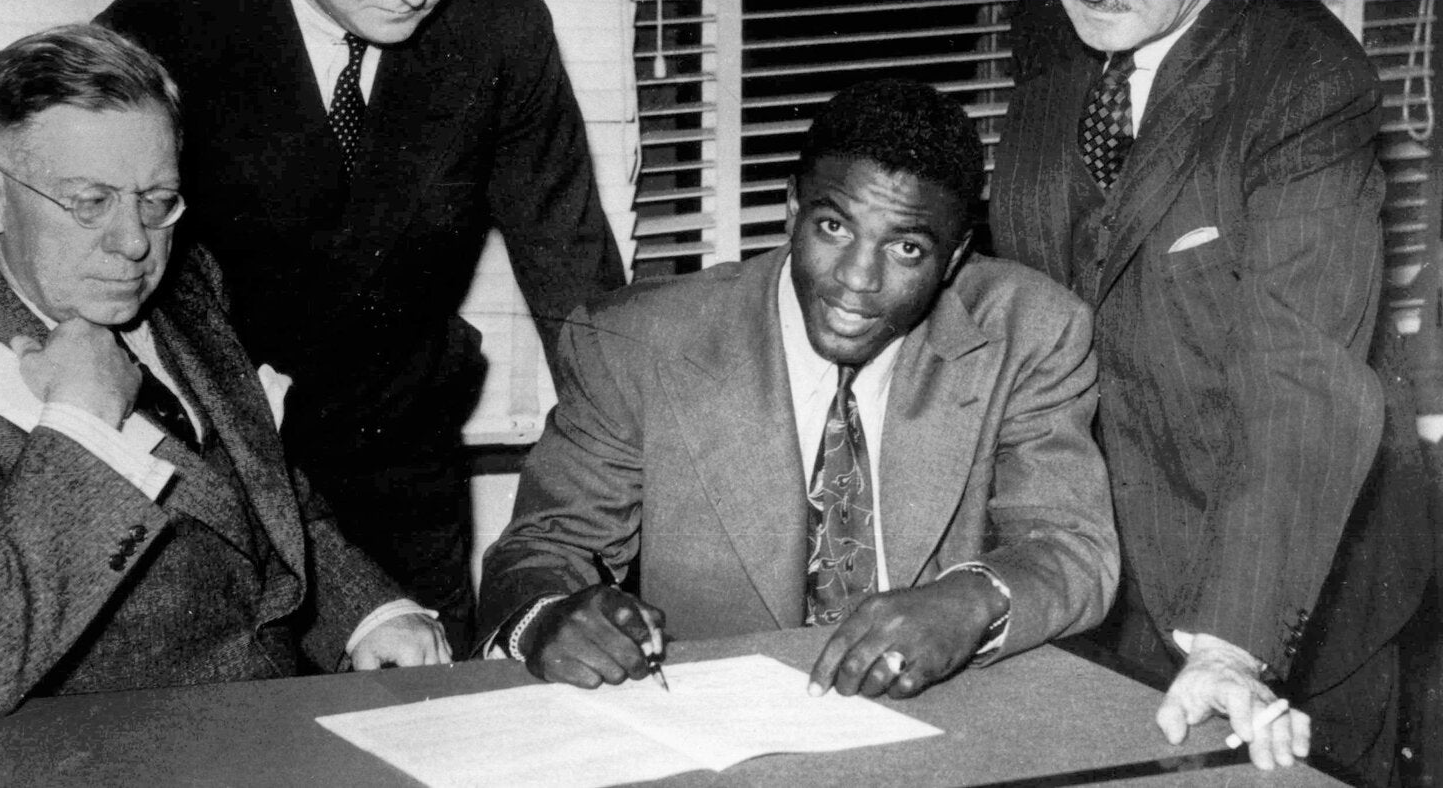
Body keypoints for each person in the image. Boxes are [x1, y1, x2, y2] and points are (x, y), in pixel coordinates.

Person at [0, 24, 450, 721]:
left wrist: (367, 612)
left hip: (274, 727)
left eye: (157, 200)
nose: (133, 242)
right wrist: (81, 424)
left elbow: (255, 489)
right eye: (89, 203)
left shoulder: (187, 281)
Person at [96, 0, 626, 649]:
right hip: (217, 479)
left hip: (401, 467)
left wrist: (627, 484)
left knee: (432, 733)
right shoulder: (166, 30)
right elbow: (66, 253)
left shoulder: (497, 28)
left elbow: (572, 268)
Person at [988, 0, 1435, 780]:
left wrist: (1233, 641)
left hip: (1281, 594)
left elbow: (1299, 378)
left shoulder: (1303, 79)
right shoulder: (1061, 19)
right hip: (1098, 587)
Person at [479, 79, 1118, 700]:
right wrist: (547, 616)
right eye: (833, 228)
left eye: (906, 248)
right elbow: (543, 548)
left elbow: (1071, 546)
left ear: (953, 260)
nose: (856, 280)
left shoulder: (1031, 331)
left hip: (944, 727)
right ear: (792, 209)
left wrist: (970, 599)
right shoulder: (636, 343)